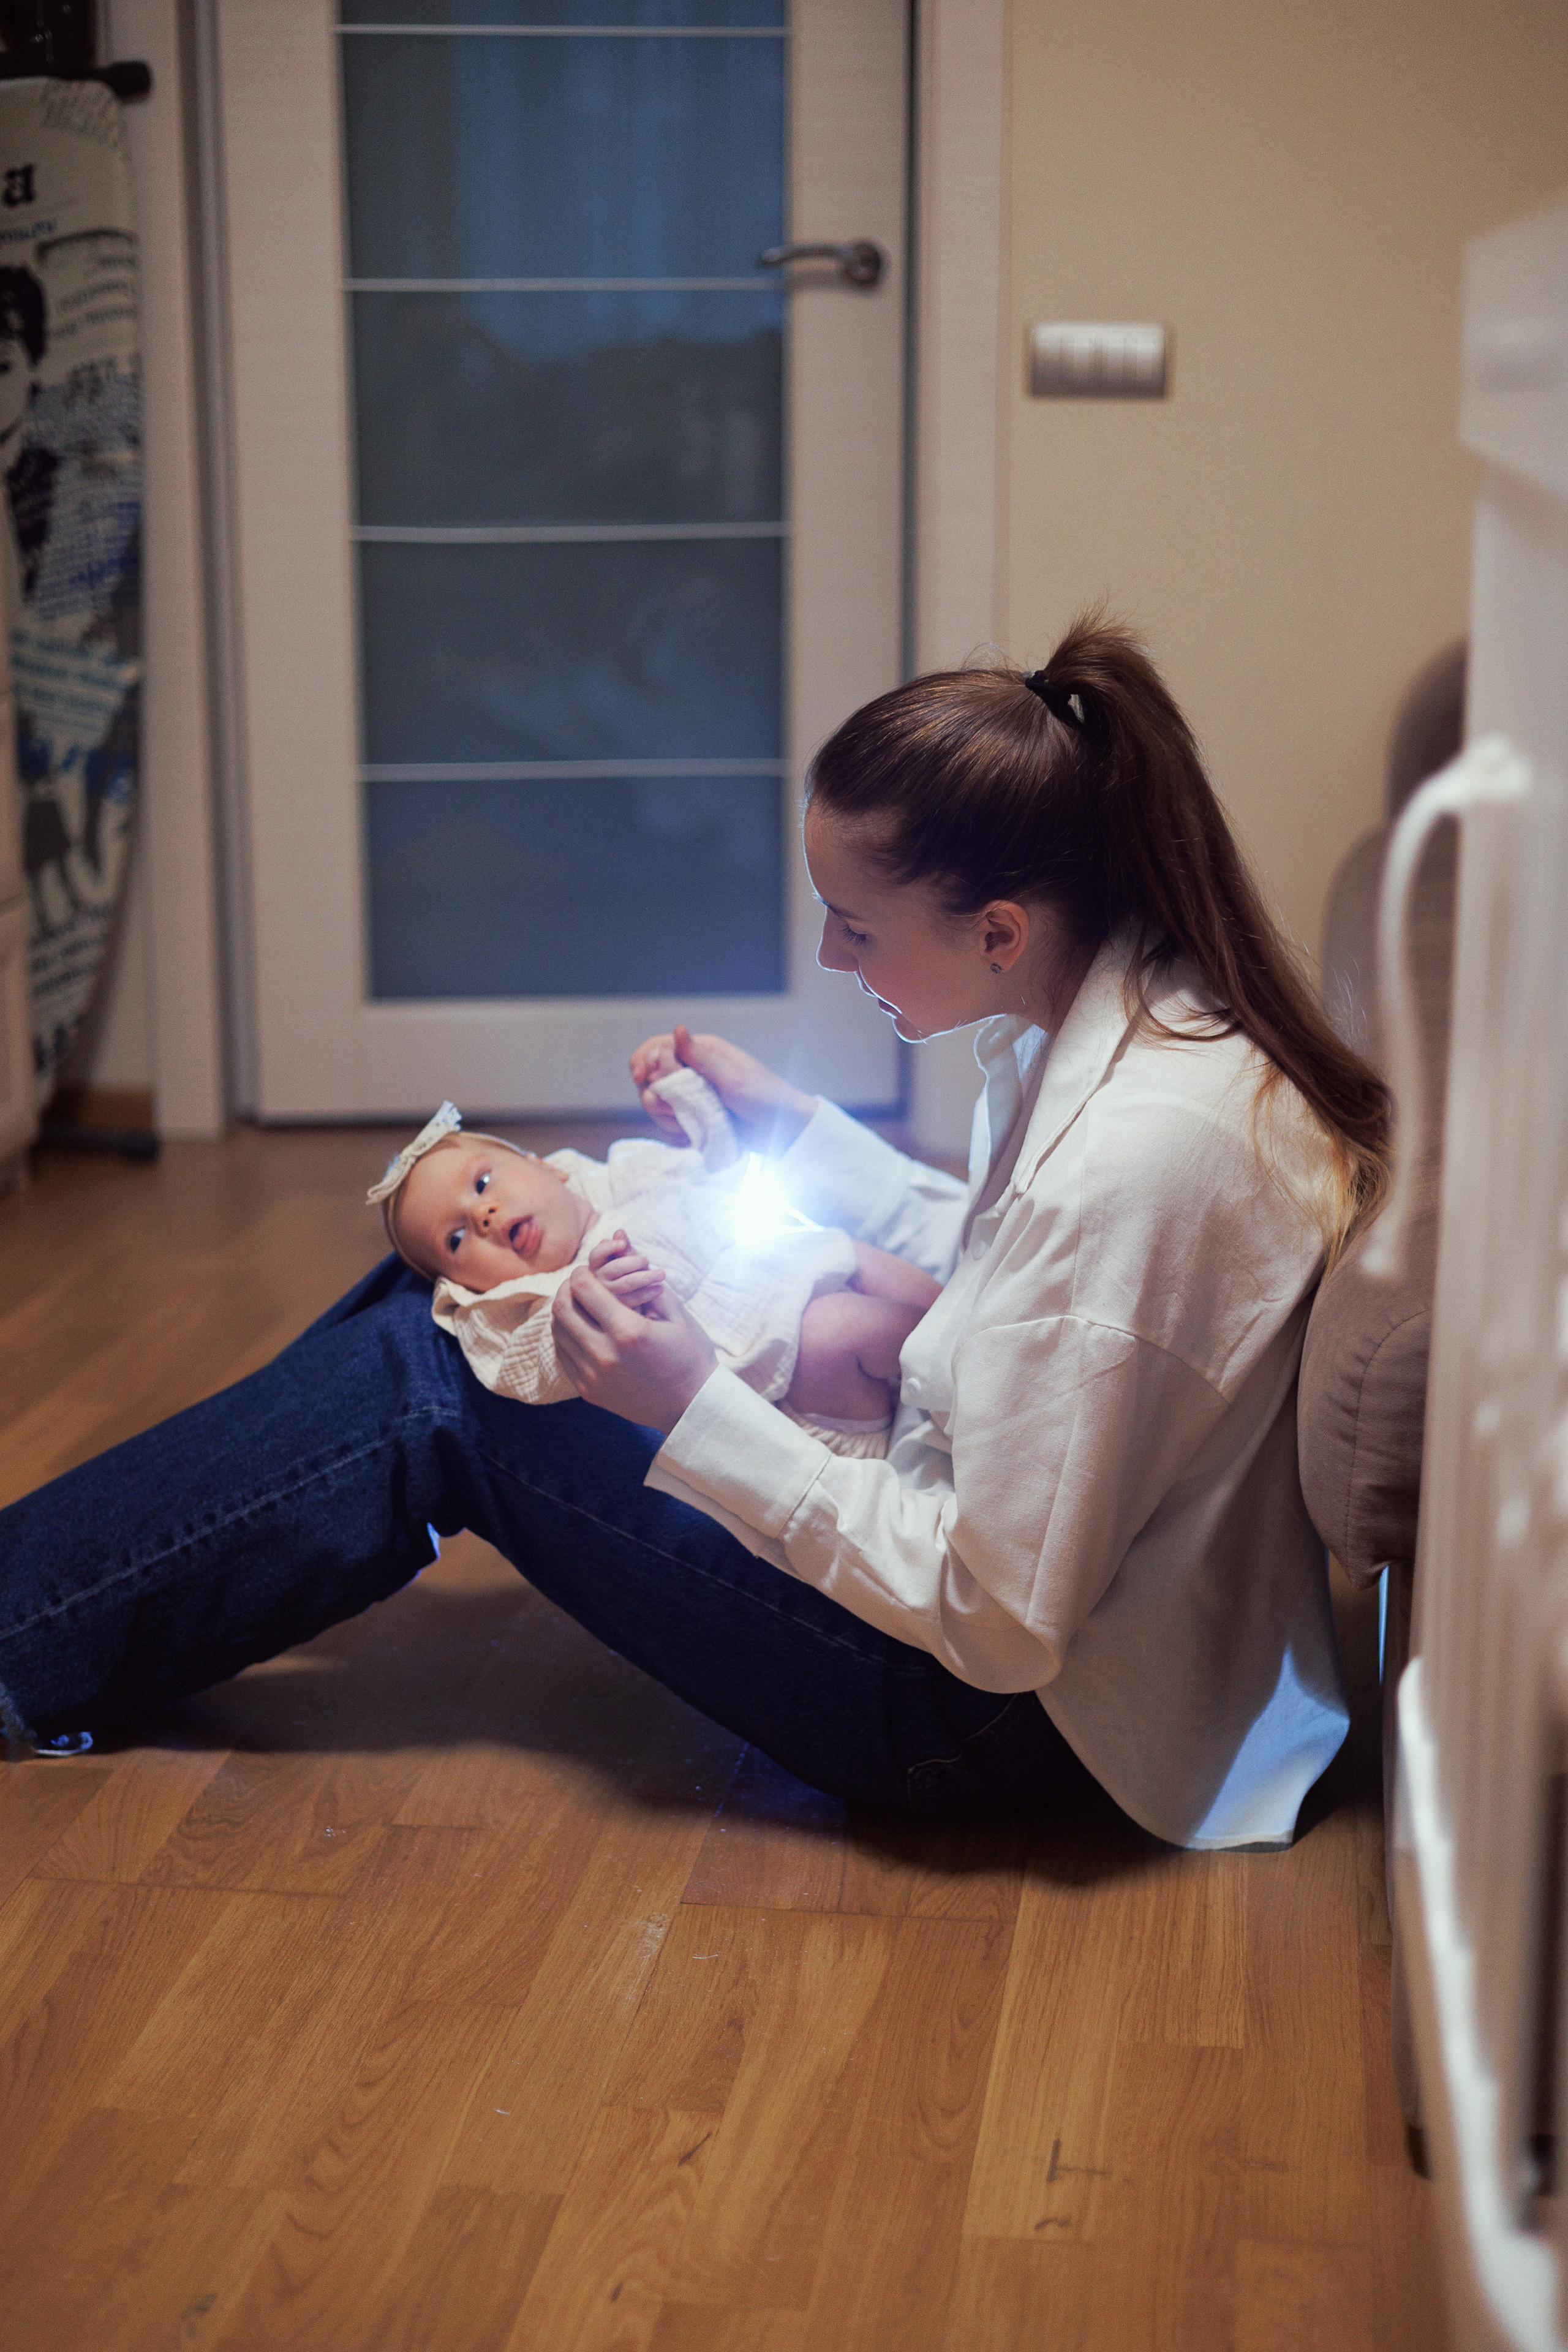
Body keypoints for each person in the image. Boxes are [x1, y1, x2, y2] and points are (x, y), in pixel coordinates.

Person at [0, 616, 1388, 1845]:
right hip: (1053, 1636)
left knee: (441, 1377)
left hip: (992, 1715)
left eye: (852, 925)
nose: (833, 960)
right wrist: (791, 1130)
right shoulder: (1143, 1019)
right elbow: (1006, 1273)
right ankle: (64, 1604)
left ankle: (25, 1631)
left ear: (1000, 929)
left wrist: (690, 1406)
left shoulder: (1131, 1166)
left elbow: (995, 1614)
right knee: (448, 1277)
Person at [372, 1073, 940, 1455]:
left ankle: (972, 1327)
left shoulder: (627, 1171)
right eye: (455, 1239)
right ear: (461, 1288)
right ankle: (971, 1372)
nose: (485, 1216)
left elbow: (714, 1168)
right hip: (789, 1378)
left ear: (545, 1165)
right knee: (846, 1328)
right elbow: (530, 1366)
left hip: (799, 1265)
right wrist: (586, 1306)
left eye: (482, 1182)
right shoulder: (538, 1299)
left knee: (864, 1260)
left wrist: (688, 1100)